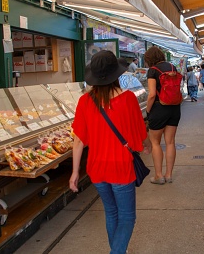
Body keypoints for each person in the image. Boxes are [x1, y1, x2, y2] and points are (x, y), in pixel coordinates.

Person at [70, 50, 150, 254]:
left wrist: (74, 172)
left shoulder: (84, 101)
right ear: (116, 74)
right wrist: (147, 144)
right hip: (121, 167)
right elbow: (139, 131)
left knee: (111, 213)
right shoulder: (128, 99)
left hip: (96, 168)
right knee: (127, 217)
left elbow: (78, 140)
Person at [144, 46, 181, 184]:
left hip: (159, 108)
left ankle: (159, 176)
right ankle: (169, 174)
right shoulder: (172, 67)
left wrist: (148, 110)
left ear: (149, 59)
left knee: (155, 143)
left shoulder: (153, 71)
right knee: (170, 142)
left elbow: (152, 94)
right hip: (175, 107)